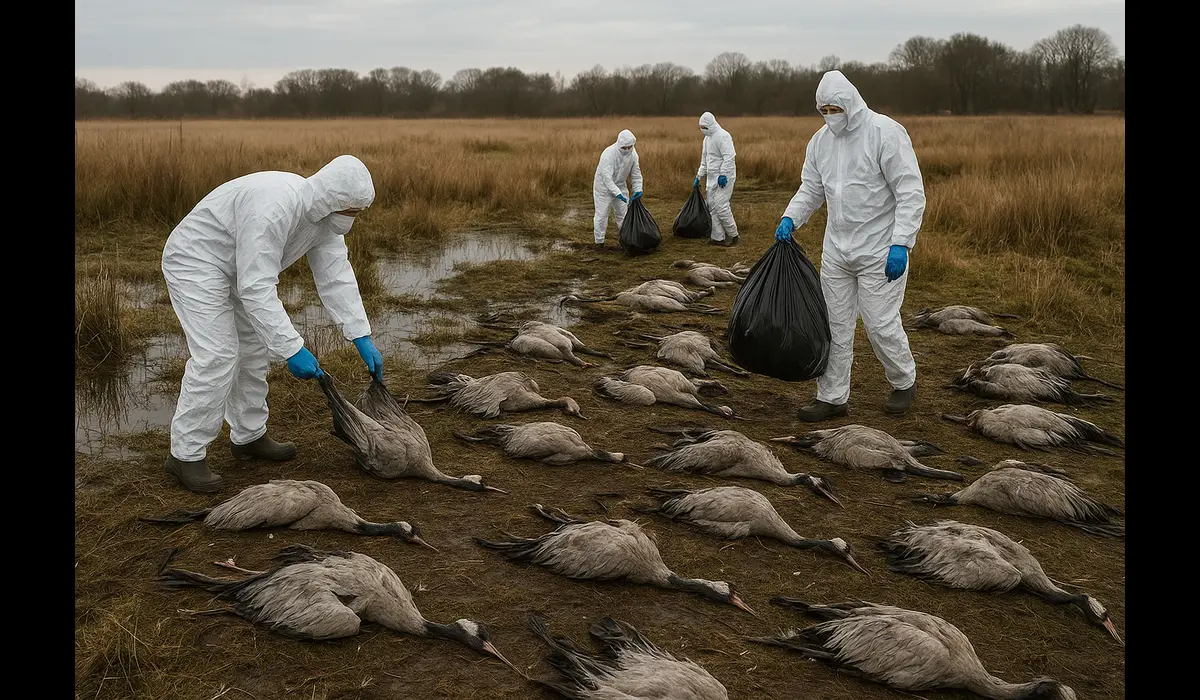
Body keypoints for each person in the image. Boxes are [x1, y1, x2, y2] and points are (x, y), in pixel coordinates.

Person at [160, 154, 385, 493]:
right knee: (218, 355)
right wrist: (292, 348)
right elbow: (256, 285)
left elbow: (336, 277)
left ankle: (249, 436)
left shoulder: (324, 221)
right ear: (334, 200)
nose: (354, 218)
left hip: (238, 268)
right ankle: (185, 455)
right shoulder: (276, 206)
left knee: (252, 350)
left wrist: (360, 335)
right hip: (196, 261)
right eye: (353, 210)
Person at [773, 70, 926, 421]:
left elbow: (909, 191)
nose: (830, 115)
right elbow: (811, 189)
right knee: (834, 325)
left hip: (880, 250)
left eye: (835, 108)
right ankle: (832, 397)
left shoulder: (884, 133)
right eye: (823, 109)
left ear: (851, 103)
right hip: (837, 251)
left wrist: (901, 243)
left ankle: (904, 381)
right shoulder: (820, 143)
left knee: (880, 324)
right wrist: (790, 217)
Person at [591, 129, 643, 250]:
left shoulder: (633, 155)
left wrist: (638, 189)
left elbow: (636, 174)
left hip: (620, 184)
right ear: (619, 144)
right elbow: (607, 178)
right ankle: (599, 243)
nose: (627, 150)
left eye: (630, 147)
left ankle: (625, 240)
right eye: (624, 148)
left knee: (622, 214)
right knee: (602, 215)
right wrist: (617, 193)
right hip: (603, 187)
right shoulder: (608, 154)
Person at [694, 112, 739, 247]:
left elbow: (729, 156)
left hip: (724, 178)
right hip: (712, 177)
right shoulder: (707, 139)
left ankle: (733, 234)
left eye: (705, 127)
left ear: (711, 124)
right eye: (701, 127)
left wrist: (724, 174)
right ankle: (717, 237)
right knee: (712, 207)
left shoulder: (723, 136)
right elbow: (705, 160)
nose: (703, 130)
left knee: (721, 206)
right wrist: (699, 175)